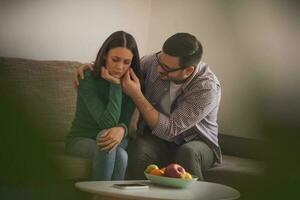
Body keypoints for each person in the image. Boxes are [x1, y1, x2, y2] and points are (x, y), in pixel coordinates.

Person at [75, 32, 221, 180]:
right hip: (157, 140)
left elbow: (170, 130)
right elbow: (120, 66)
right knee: (138, 149)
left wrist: (136, 95)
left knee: (188, 152)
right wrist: (91, 66)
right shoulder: (152, 63)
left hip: (197, 142)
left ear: (188, 70)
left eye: (166, 68)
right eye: (160, 60)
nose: (158, 69)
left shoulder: (206, 88)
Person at [66, 31, 140, 181]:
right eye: (115, 59)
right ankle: (102, 195)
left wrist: (123, 129)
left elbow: (123, 122)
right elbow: (108, 123)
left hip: (117, 136)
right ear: (105, 55)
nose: (120, 67)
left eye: (126, 62)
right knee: (118, 152)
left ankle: (101, 196)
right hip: (81, 139)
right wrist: (115, 85)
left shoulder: (132, 84)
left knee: (114, 147)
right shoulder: (87, 78)